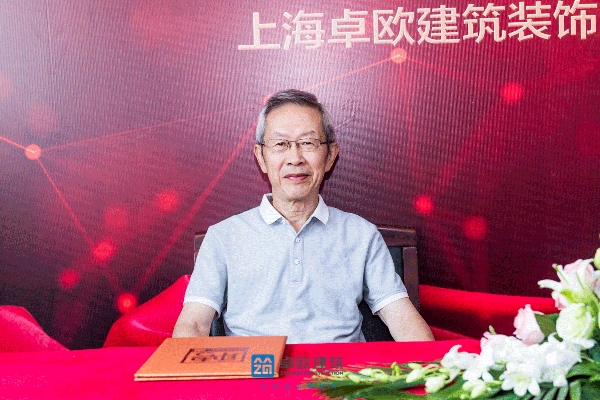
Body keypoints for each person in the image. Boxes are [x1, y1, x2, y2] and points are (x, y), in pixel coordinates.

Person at [173, 89, 433, 343]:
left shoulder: (361, 235)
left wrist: (434, 369)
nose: (295, 158)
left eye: (308, 143)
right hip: (254, 368)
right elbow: (193, 324)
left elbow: (403, 320)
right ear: (261, 157)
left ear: (330, 155)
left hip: (340, 369)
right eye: (280, 144)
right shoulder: (223, 237)